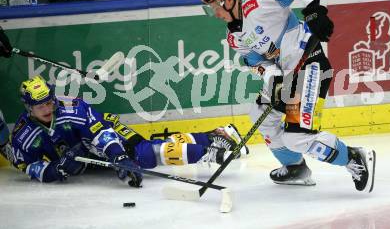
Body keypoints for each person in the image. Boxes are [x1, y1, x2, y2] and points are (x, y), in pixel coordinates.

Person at [200, 0, 376, 192]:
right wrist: (273, 79)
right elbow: (256, 61)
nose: (214, 13)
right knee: (259, 115)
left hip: (310, 65)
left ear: (227, 0)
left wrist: (313, 9)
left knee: (297, 138)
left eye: (214, 6)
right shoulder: (234, 37)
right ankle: (295, 167)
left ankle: (352, 157)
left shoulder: (258, 0)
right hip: (285, 76)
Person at [10, 75, 248, 187]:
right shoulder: (23, 134)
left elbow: (100, 133)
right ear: (28, 107)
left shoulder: (73, 108)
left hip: (105, 132)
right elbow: (26, 165)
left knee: (142, 154)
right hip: (88, 155)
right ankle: (217, 133)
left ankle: (210, 151)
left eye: (50, 101)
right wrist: (55, 169)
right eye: (40, 105)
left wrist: (119, 156)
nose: (48, 108)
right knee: (146, 149)